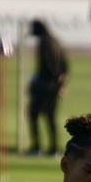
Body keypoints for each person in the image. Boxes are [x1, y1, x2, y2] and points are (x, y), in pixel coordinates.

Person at [27, 20, 70, 157]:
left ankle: (37, 147)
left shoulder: (45, 43)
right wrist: (61, 83)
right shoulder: (55, 41)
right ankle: (54, 148)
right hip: (54, 85)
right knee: (50, 116)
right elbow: (65, 63)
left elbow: (48, 65)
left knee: (33, 114)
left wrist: (40, 82)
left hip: (45, 85)